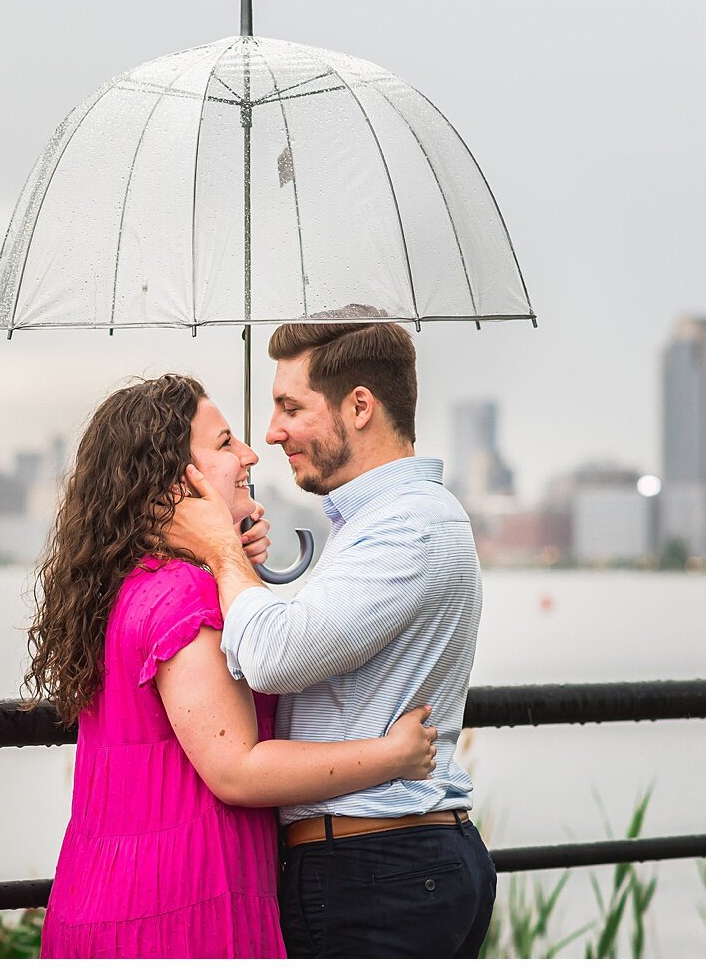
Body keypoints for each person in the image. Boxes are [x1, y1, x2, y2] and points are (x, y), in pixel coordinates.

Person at [25, 374, 438, 959]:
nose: (249, 454)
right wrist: (392, 757)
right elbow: (237, 769)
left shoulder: (133, 582)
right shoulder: (184, 596)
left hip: (112, 888)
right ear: (173, 483)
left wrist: (233, 565)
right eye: (224, 445)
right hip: (182, 906)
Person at [166, 305, 497, 958]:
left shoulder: (410, 528)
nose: (272, 431)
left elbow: (270, 658)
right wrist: (252, 570)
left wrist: (221, 556)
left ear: (360, 407)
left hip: (377, 871)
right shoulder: (377, 523)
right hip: (389, 866)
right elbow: (312, 644)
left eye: (291, 407)